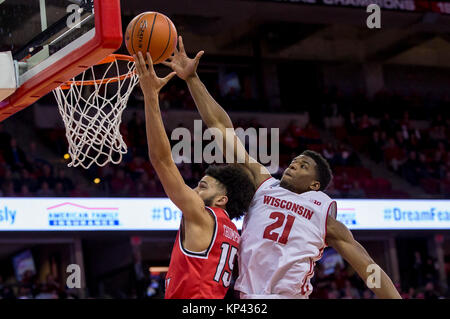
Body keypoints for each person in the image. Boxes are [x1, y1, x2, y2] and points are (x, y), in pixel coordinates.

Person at [162, 36, 401, 299]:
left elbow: (369, 268)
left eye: (304, 165)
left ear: (315, 185)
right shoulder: (264, 185)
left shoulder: (324, 218)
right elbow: (222, 129)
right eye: (295, 160)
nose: (294, 164)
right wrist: (192, 80)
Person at [133, 52, 255, 299]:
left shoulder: (202, 214)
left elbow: (162, 161)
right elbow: (226, 131)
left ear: (222, 199)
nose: (193, 192)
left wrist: (150, 96)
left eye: (201, 187)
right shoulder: (231, 230)